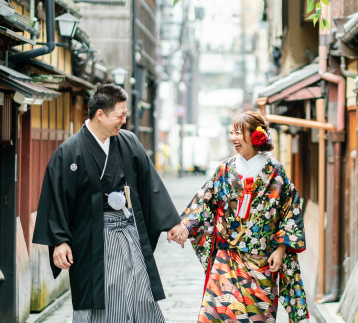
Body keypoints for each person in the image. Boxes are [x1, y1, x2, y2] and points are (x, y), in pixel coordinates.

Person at [33, 83, 181, 323]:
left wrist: (171, 222)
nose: (123, 120)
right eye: (119, 115)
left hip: (128, 234)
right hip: (90, 240)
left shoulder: (129, 142)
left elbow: (151, 184)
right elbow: (55, 198)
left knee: (140, 293)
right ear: (100, 114)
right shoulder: (69, 152)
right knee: (102, 294)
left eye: (125, 115)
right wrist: (60, 241)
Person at [168, 111, 310, 322]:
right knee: (214, 315)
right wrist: (184, 226)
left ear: (255, 136)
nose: (233, 137)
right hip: (227, 259)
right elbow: (204, 201)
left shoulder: (275, 173)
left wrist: (281, 249)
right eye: (231, 132)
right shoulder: (225, 169)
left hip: (261, 261)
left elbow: (290, 212)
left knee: (254, 317)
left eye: (238, 132)